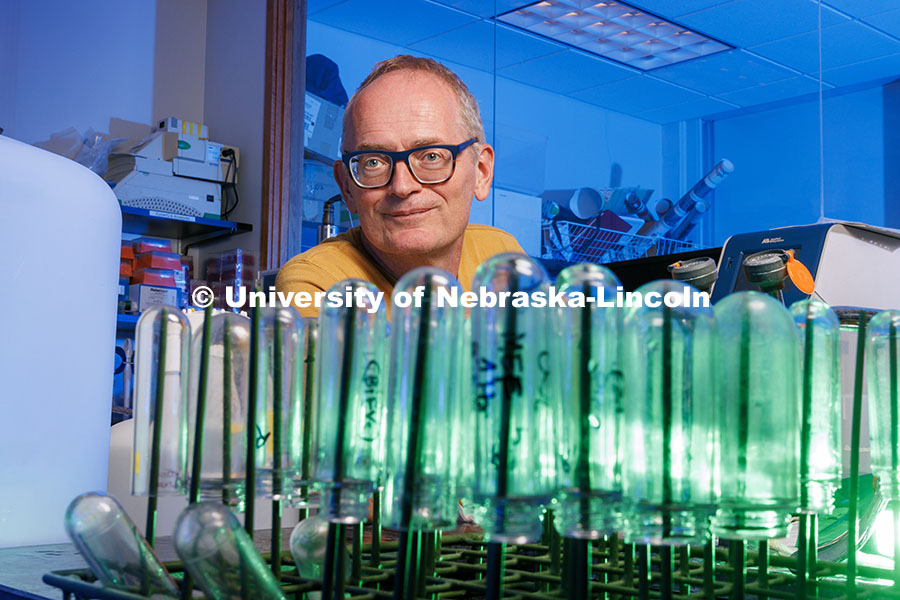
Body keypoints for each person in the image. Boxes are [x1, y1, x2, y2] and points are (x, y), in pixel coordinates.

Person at [276, 55, 523, 317]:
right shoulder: (317, 283)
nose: (402, 186)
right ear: (347, 187)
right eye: (373, 162)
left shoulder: (500, 253)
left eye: (431, 157)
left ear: (481, 172)